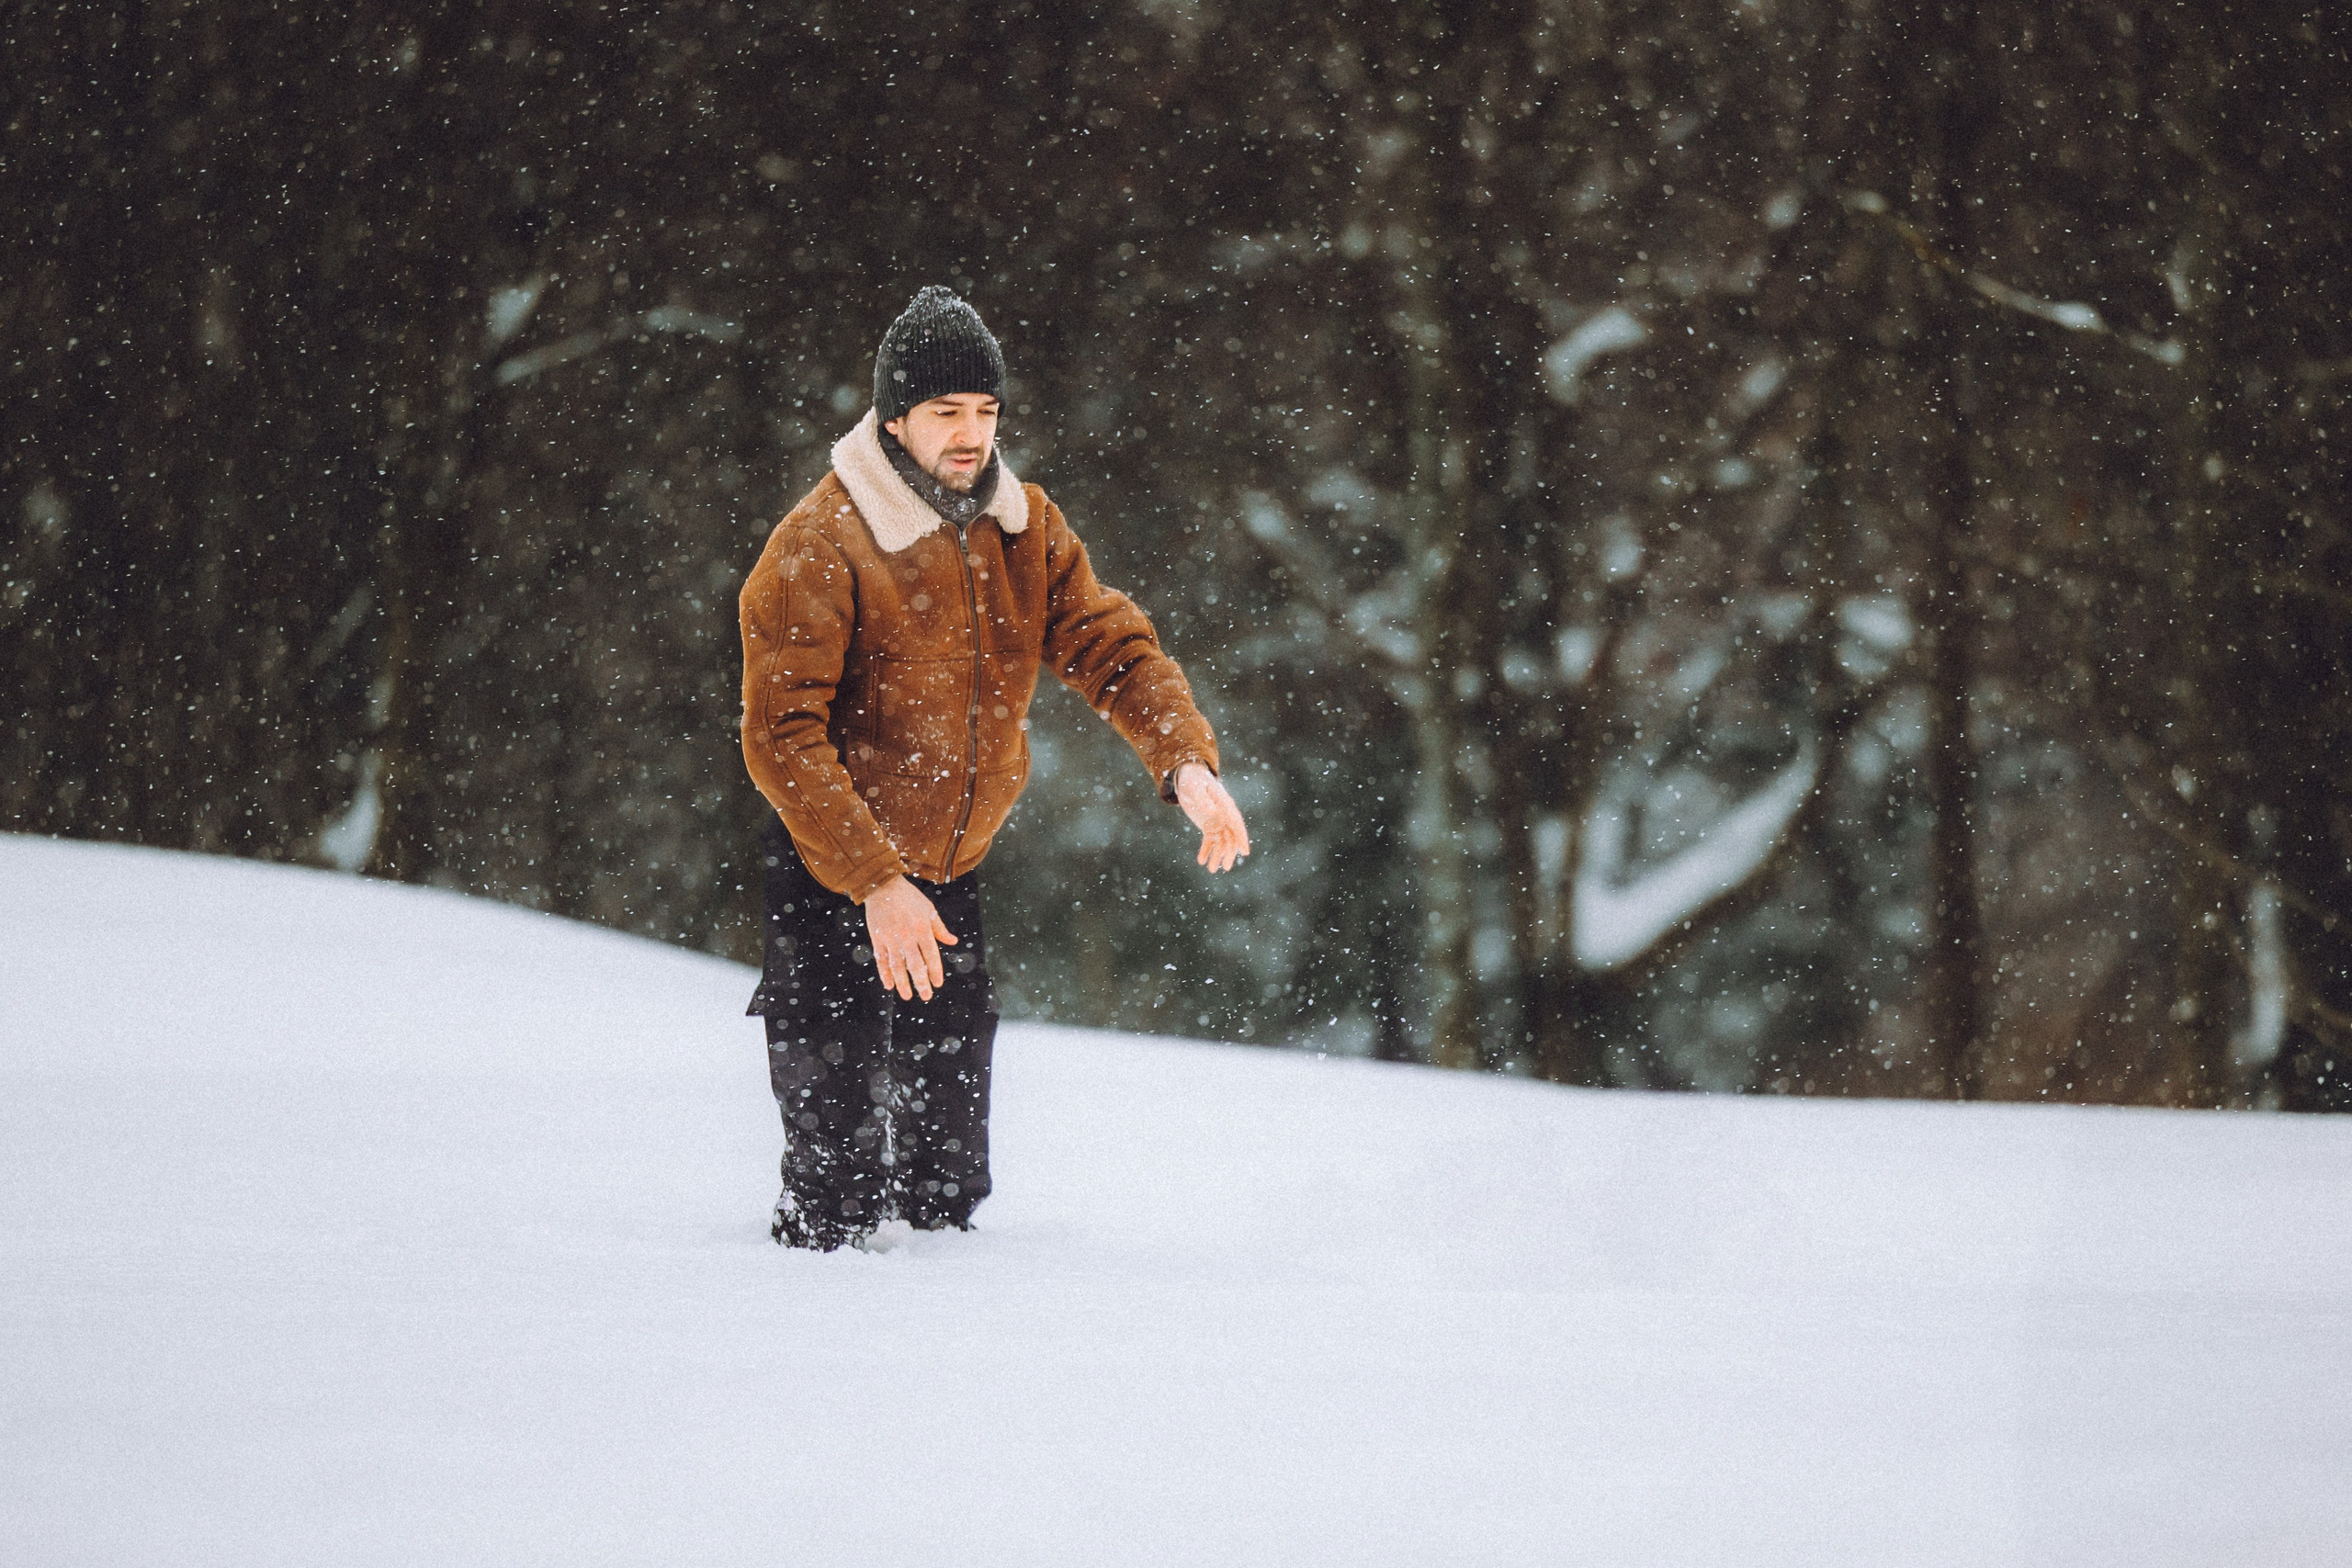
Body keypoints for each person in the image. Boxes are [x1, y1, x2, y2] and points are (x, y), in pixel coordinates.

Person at [738, 286, 1250, 1250]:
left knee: (944, 1183)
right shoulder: (821, 542)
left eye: (985, 411)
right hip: (831, 869)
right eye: (946, 412)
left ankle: (962, 1368)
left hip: (949, 867)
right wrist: (874, 882)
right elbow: (781, 736)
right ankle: (807, 1354)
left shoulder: (1024, 528)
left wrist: (1185, 765)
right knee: (835, 1191)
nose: (971, 434)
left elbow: (1112, 647)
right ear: (895, 419)